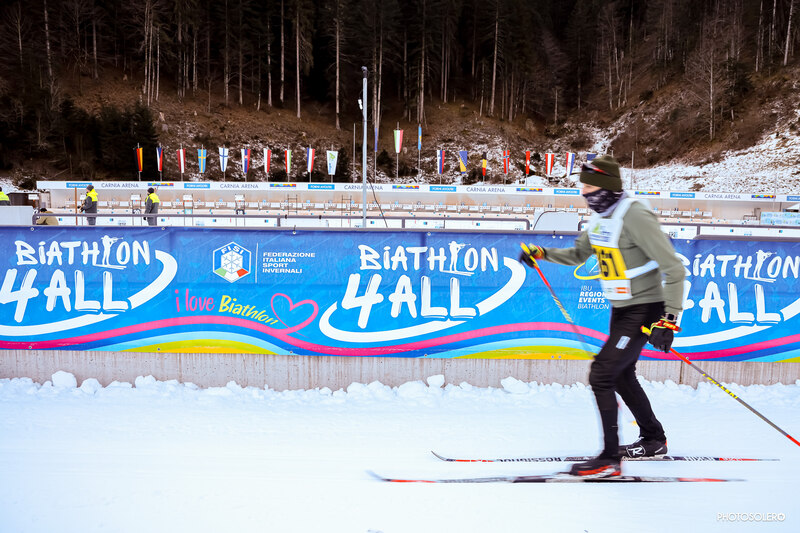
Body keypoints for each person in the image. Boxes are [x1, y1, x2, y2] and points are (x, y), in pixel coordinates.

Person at [519, 154, 685, 478]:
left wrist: (669, 319)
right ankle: (653, 439)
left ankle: (609, 459)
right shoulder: (599, 218)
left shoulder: (635, 215)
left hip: (644, 308)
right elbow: (578, 254)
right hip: (622, 308)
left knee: (601, 374)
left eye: (589, 187)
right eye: (582, 187)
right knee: (620, 376)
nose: (583, 192)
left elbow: (674, 268)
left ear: (607, 187)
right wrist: (543, 253)